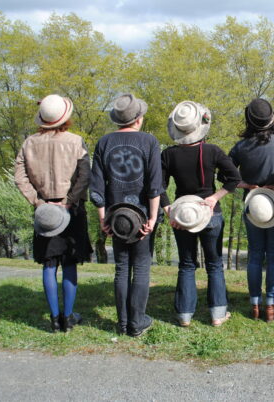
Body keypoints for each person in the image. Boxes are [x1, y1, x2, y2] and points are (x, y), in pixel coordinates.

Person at [14, 94, 92, 332]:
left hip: (45, 211)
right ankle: (68, 318)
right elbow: (85, 176)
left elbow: (20, 177)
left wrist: (37, 202)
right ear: (65, 118)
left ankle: (54, 318)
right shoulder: (76, 141)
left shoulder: (29, 143)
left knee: (49, 265)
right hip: (71, 209)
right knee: (69, 262)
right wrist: (69, 201)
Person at [161, 100, 241, 327]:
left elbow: (157, 186)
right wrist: (215, 197)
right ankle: (217, 314)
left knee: (186, 264)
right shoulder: (213, 151)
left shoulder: (168, 155)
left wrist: (170, 212)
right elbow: (234, 178)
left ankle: (185, 315)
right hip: (210, 213)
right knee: (214, 264)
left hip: (183, 215)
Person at [90, 93, 162, 337]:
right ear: (138, 119)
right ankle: (137, 323)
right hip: (141, 216)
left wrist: (103, 220)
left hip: (116, 218)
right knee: (141, 269)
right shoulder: (149, 141)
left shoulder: (104, 142)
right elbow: (155, 185)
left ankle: (122, 324)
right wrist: (152, 218)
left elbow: (97, 187)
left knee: (121, 268)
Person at [229, 98, 274, 322]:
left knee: (255, 256)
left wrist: (247, 185)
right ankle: (271, 306)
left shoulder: (240, 147)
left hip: (253, 208)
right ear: (272, 119)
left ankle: (255, 305)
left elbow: (226, 177)